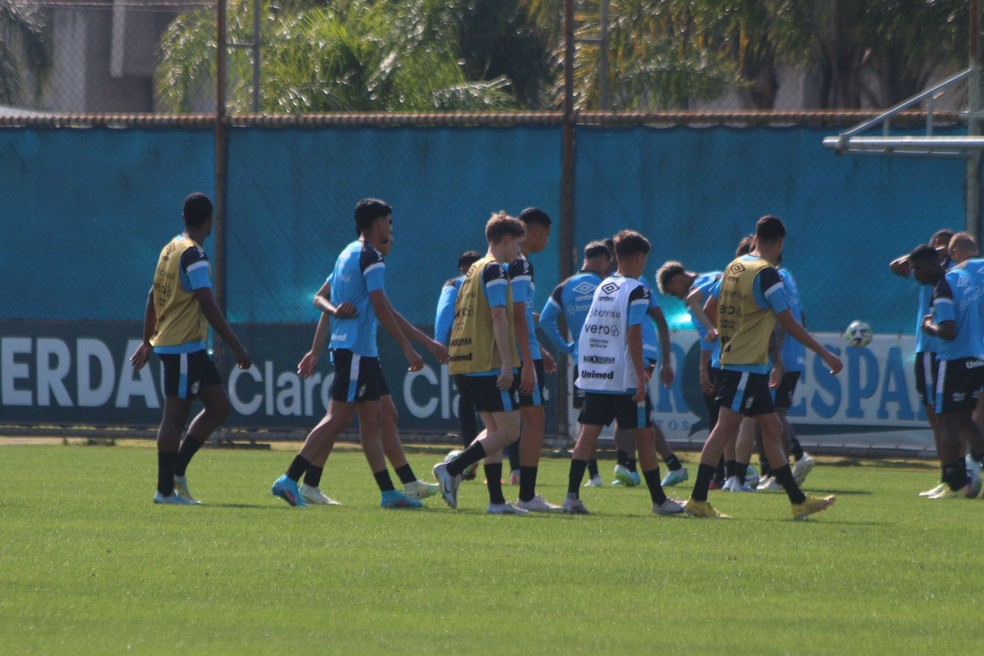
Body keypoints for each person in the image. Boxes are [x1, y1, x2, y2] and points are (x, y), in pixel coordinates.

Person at [271, 198, 447, 509]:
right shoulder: (371, 257)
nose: (390, 229)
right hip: (355, 351)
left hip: (355, 351)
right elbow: (380, 308)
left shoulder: (347, 254)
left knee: (378, 415)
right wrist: (409, 350)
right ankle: (289, 480)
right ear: (379, 223)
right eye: (389, 223)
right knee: (338, 417)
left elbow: (320, 299)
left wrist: (425, 343)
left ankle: (390, 493)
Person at [683, 215, 842, 520]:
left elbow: (707, 308)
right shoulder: (768, 275)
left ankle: (798, 502)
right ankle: (698, 499)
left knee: (771, 427)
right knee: (724, 428)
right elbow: (788, 322)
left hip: (749, 364)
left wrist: (727, 333)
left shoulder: (735, 266)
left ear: (755, 237)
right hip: (744, 365)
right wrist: (825, 354)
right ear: (781, 243)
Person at [129, 192, 252, 505]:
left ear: (185, 217)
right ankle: (164, 491)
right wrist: (236, 346)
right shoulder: (194, 255)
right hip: (182, 346)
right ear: (209, 220)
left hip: (186, 346)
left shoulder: (170, 248)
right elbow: (207, 303)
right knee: (174, 418)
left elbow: (151, 296)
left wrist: (147, 340)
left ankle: (177, 472)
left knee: (219, 406)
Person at [561, 230, 684, 516]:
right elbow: (634, 334)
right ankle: (659, 502)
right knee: (644, 437)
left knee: (587, 436)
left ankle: (571, 498)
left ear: (615, 257)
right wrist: (641, 375)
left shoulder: (604, 286)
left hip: (597, 374)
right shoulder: (637, 289)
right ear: (640, 258)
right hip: (625, 379)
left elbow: (593, 330)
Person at [432, 212, 528, 514]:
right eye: (518, 246)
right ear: (508, 240)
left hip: (464, 362)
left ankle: (496, 502)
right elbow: (498, 317)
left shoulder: (472, 270)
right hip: (488, 362)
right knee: (511, 431)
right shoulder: (496, 271)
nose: (519, 253)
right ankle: (453, 468)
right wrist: (505, 364)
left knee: (493, 431)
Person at [909, 243, 984, 498]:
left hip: (954, 360)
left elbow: (949, 331)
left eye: (918, 269)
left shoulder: (942, 288)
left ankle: (954, 481)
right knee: (965, 419)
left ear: (932, 265)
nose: (915, 275)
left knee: (946, 420)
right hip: (976, 358)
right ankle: (968, 476)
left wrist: (928, 326)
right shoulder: (962, 278)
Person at [500, 207, 562, 510]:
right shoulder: (522, 265)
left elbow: (515, 314)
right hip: (522, 355)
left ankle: (455, 467)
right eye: (547, 235)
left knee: (507, 422)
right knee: (533, 421)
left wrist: (540, 349)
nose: (548, 242)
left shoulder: (505, 262)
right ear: (534, 232)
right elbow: (518, 316)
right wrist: (528, 360)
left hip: (513, 350)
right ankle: (527, 495)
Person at [540, 240, 614, 487]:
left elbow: (546, 320)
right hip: (610, 360)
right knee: (631, 420)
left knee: (586, 419)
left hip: (583, 362)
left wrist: (567, 348)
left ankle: (594, 476)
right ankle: (625, 468)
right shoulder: (607, 285)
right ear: (603, 260)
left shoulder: (564, 287)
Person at [889, 229, 954, 496]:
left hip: (933, 349)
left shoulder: (942, 274)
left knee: (943, 417)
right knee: (942, 417)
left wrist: (939, 253)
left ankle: (952, 475)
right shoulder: (925, 270)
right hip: (929, 349)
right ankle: (950, 474)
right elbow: (897, 266)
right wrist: (932, 252)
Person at [656, 261, 724, 485]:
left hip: (722, 361)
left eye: (673, 292)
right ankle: (732, 472)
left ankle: (723, 474)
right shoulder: (715, 275)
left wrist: (703, 371)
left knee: (719, 420)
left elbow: (707, 337)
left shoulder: (703, 288)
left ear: (676, 280)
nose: (678, 298)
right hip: (733, 355)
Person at [434, 250, 483, 479]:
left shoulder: (452, 284)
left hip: (460, 349)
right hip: (485, 349)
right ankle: (513, 469)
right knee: (498, 410)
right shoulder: (488, 277)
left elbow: (444, 312)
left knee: (467, 401)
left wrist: (440, 341)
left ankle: (468, 459)